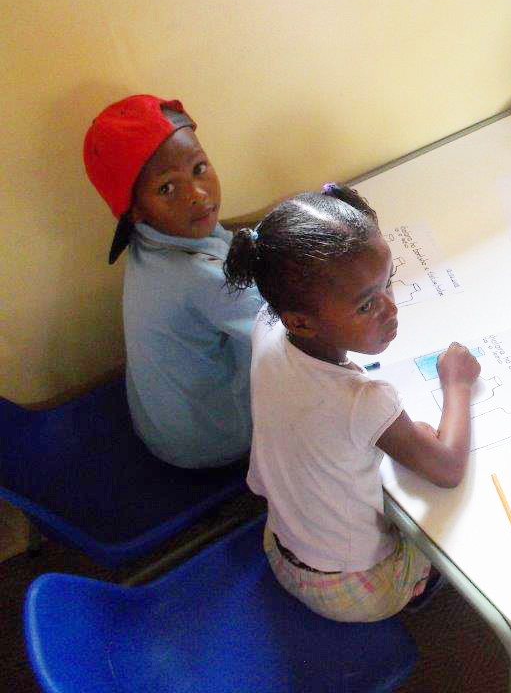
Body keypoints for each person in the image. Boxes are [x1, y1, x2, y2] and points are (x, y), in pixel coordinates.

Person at [223, 185, 480, 622]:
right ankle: (414, 589)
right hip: (350, 589)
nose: (390, 309)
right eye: (366, 305)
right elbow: (448, 468)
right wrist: (456, 383)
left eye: (388, 283)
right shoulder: (364, 401)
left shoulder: (266, 328)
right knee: (462, 535)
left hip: (279, 544)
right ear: (301, 321)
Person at [83, 95, 264, 469]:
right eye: (167, 188)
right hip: (212, 442)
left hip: (158, 425)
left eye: (199, 168)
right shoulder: (197, 277)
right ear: (135, 210)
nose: (196, 195)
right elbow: (286, 326)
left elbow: (227, 251)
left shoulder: (151, 241)